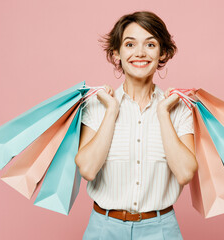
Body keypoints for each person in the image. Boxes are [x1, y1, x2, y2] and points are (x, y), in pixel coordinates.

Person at [75, 11, 198, 240]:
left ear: (163, 52)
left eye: (150, 44)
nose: (140, 53)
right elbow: (88, 169)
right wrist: (111, 111)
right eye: (130, 44)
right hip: (104, 229)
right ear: (116, 53)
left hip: (161, 230)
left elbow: (184, 173)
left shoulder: (178, 109)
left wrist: (163, 113)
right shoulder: (96, 106)